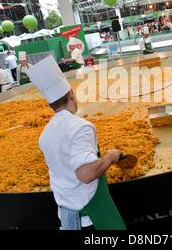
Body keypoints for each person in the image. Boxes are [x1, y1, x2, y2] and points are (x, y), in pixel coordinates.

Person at [27, 56, 126, 230]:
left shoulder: (44, 135)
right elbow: (85, 174)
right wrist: (110, 157)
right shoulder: (81, 127)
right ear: (71, 94)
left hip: (68, 217)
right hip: (92, 218)